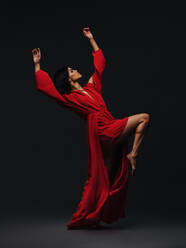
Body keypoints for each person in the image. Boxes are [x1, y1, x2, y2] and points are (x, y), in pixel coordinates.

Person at [32, 27, 151, 230]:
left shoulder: (91, 88)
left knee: (103, 177)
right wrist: (37, 66)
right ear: (68, 79)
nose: (75, 69)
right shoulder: (69, 99)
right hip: (104, 131)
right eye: (71, 70)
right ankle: (133, 155)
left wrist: (91, 39)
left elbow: (100, 66)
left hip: (107, 129)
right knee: (144, 118)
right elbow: (46, 89)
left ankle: (91, 216)